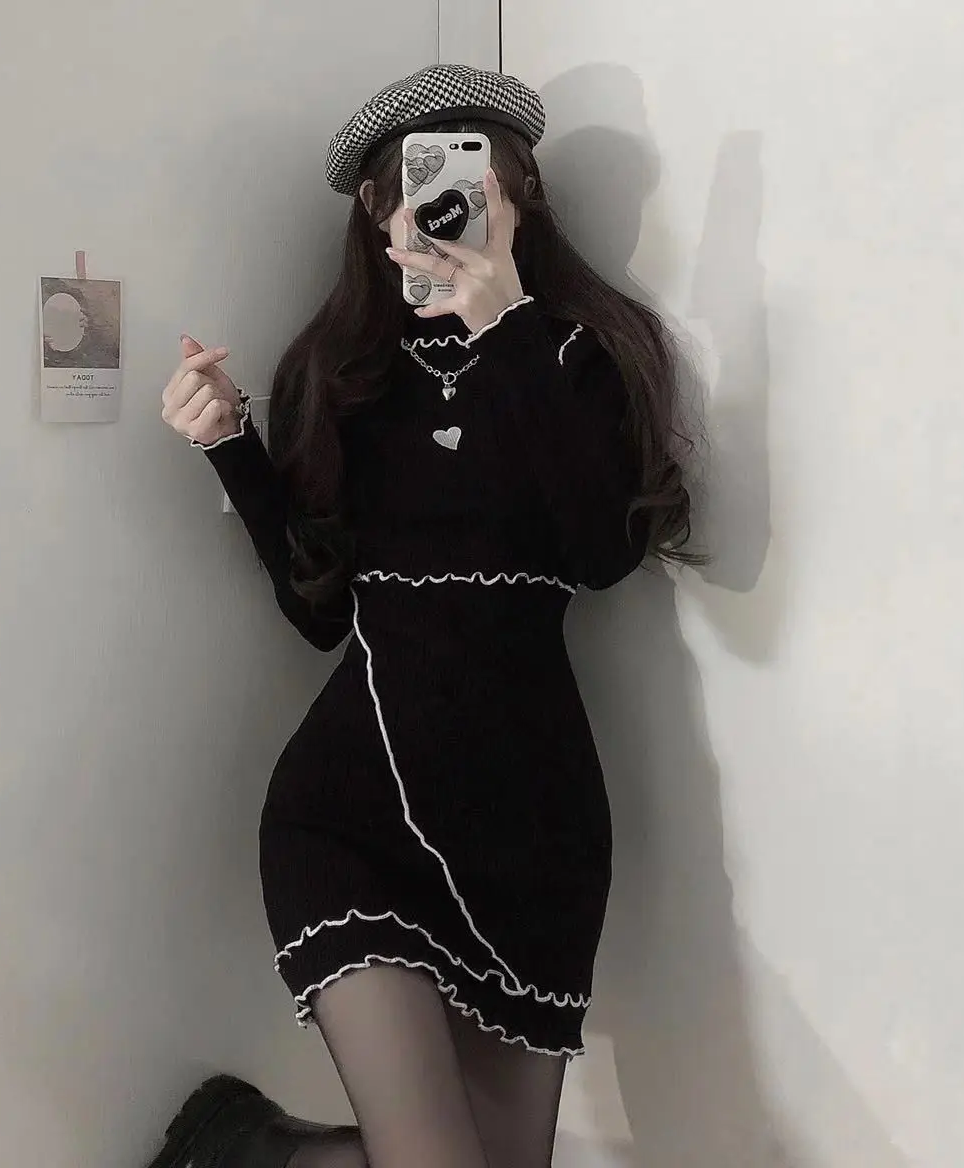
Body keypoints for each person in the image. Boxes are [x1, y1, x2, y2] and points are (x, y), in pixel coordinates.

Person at [147, 64, 695, 1168]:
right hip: (355, 811)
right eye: (415, 180)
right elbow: (318, 613)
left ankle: (259, 1154)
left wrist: (506, 327)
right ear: (375, 206)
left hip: (533, 829)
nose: (441, 202)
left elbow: (600, 556)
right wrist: (230, 445)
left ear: (519, 194)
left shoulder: (580, 352)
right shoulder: (342, 372)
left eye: (472, 177)